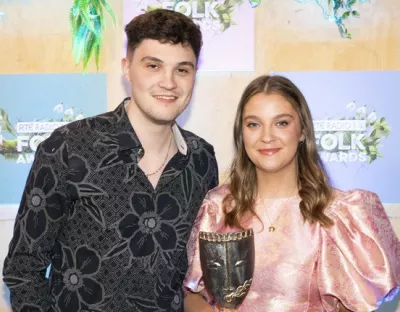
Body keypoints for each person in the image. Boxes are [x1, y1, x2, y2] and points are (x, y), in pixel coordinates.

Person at [3, 9, 219, 312]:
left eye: (182, 70)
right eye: (153, 65)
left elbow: (194, 276)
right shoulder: (68, 147)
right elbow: (23, 269)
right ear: (127, 68)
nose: (168, 82)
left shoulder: (202, 159)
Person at [183, 75, 400, 312]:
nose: (267, 137)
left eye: (282, 123)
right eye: (253, 124)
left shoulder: (337, 214)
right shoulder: (218, 208)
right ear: (241, 134)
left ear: (303, 131)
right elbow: (192, 295)